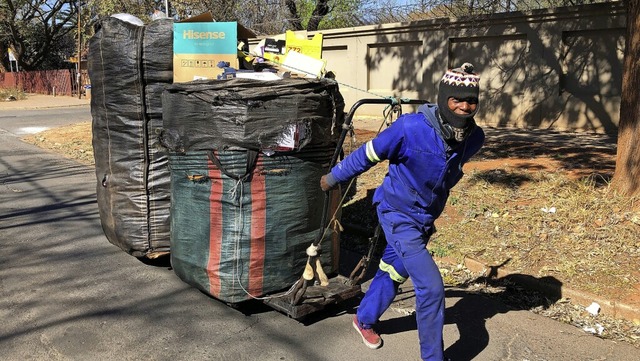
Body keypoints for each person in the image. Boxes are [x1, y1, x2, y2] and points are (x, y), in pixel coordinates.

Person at [320, 62, 484, 361]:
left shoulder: (474, 138)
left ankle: (363, 319)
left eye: (471, 100)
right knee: (431, 287)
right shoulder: (410, 128)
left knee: (394, 269)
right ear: (443, 97)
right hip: (396, 213)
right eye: (456, 99)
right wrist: (333, 177)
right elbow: (368, 154)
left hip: (425, 216)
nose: (464, 106)